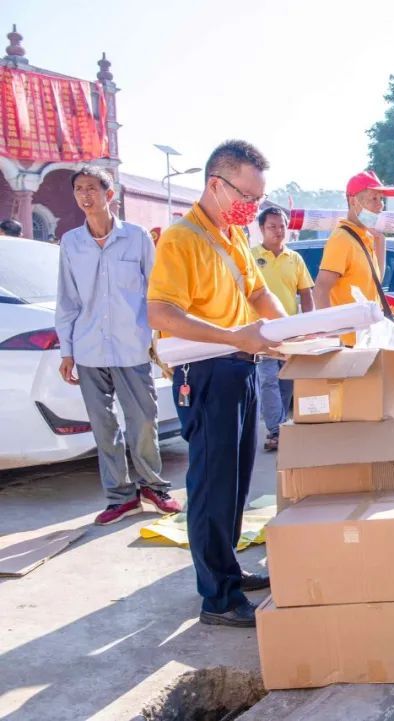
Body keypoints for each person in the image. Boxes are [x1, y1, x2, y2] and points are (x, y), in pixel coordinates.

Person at [147, 140, 287, 628]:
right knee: (211, 484)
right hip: (204, 371)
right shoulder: (181, 239)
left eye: (258, 198)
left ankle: (227, 569)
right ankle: (218, 598)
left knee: (237, 480)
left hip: (241, 366)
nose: (252, 206)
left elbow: (259, 293)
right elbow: (161, 312)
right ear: (216, 185)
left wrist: (292, 331)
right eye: (246, 196)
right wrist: (232, 337)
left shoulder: (234, 236)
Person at [54, 165, 179, 526]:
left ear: (109, 194)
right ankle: (120, 497)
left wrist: (161, 341)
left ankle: (154, 487)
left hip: (131, 346)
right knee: (103, 427)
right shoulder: (71, 243)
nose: (85, 195)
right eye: (79, 189)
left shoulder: (137, 238)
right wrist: (67, 351)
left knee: (143, 421)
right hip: (89, 348)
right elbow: (67, 300)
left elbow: (156, 291)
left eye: (92, 188)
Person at [252, 206, 315, 452]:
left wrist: (310, 326)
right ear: (261, 229)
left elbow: (306, 293)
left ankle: (281, 426)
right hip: (261, 331)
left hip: (290, 332)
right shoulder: (251, 256)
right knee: (268, 379)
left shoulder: (295, 258)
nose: (278, 231)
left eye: (282, 226)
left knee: (286, 379)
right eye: (272, 227)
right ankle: (276, 430)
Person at [313, 170, 394, 346]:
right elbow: (320, 289)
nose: (380, 205)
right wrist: (331, 336)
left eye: (381, 199)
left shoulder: (365, 237)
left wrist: (380, 240)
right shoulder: (342, 238)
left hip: (367, 341)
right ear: (353, 201)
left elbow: (375, 281)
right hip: (349, 344)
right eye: (373, 199)